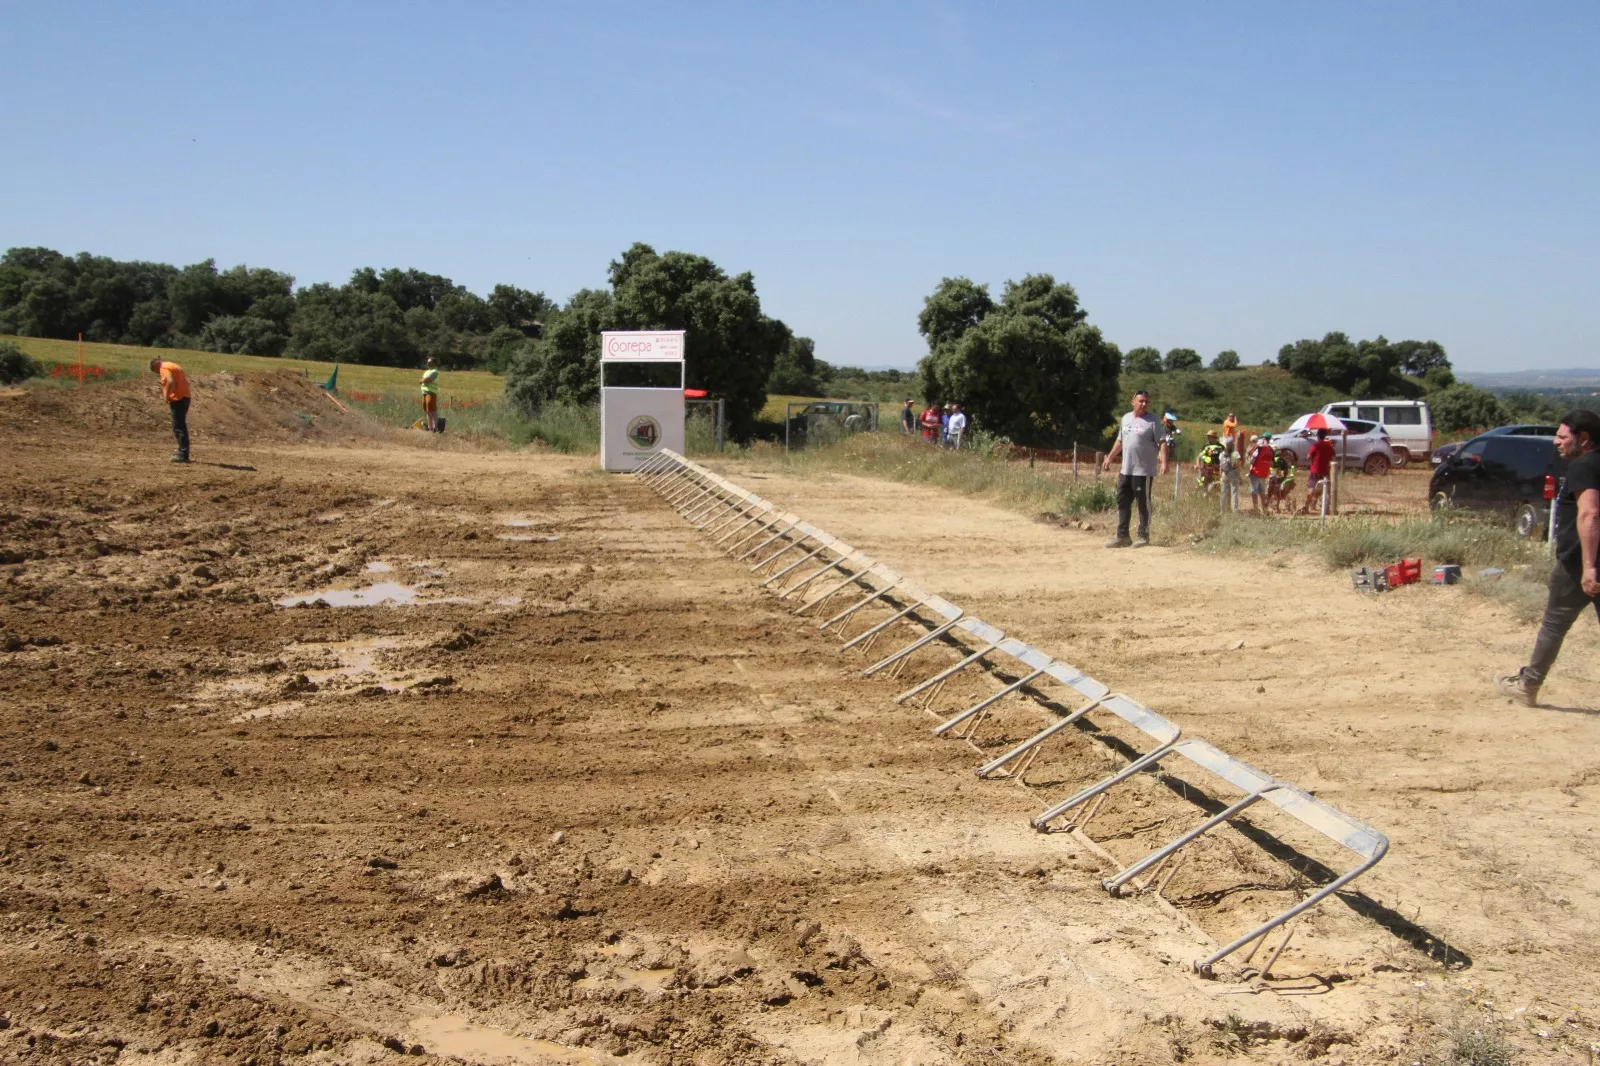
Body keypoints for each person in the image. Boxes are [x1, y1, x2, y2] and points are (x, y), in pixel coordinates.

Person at [1496, 410, 1600, 706]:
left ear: (1584, 438)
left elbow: (1590, 514)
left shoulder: (1584, 465)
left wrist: (1589, 567)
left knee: (1554, 623)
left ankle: (1528, 685)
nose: (1556, 441)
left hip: (1579, 563)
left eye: (1562, 436)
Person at [1101, 390, 1171, 548]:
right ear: (1133, 402)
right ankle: (1123, 536)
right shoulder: (1126, 419)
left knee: (1143, 503)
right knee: (1123, 501)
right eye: (1141, 401)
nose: (1144, 404)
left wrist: (1164, 463)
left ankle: (1143, 536)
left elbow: (1162, 442)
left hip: (1143, 471)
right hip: (1126, 470)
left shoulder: (1153, 421)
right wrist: (1110, 457)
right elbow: (1120, 440)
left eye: (1146, 401)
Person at [149, 356, 191, 463]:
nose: (158, 373)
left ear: (155, 366)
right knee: (181, 425)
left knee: (178, 426)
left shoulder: (163, 368)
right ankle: (183, 451)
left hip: (177, 399)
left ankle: (183, 454)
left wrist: (167, 396)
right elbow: (184, 382)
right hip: (186, 397)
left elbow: (171, 381)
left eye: (156, 372)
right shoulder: (173, 365)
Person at [1299, 429, 1336, 514]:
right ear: (1325, 436)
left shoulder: (1315, 446)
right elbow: (1333, 457)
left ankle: (1306, 507)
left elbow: (1308, 457)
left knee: (1311, 489)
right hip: (1325, 471)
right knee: (1327, 490)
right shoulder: (1329, 446)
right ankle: (1327, 508)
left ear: (1318, 436)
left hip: (1315, 471)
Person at [1247, 434, 1275, 514]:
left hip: (1255, 473)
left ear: (1263, 439)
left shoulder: (1259, 449)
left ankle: (1255, 509)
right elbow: (1272, 463)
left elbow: (1252, 461)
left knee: (1254, 492)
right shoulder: (1271, 450)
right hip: (1264, 473)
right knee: (1262, 492)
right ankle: (1264, 509)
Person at [1268, 445, 1295, 513]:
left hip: (1275, 479)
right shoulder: (1283, 461)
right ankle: (1277, 507)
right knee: (1280, 493)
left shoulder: (1274, 460)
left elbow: (1275, 472)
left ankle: (1275, 507)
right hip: (1283, 479)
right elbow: (1290, 468)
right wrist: (1291, 475)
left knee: (1272, 493)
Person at [1220, 434, 1242, 511]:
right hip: (1233, 473)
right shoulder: (1236, 454)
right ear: (1232, 444)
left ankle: (1223, 510)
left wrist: (1221, 476)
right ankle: (1235, 511)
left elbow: (1220, 466)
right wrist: (1239, 477)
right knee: (1234, 493)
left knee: (1224, 493)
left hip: (1224, 474)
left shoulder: (1222, 454)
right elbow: (1238, 466)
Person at [420, 356, 440, 432]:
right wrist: (423, 380)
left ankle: (435, 428)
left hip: (431, 392)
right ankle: (430, 427)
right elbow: (422, 379)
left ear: (434, 363)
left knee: (432, 410)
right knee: (427, 410)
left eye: (430, 362)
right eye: (428, 362)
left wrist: (423, 380)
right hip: (424, 392)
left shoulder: (435, 372)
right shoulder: (426, 372)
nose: (428, 363)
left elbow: (427, 380)